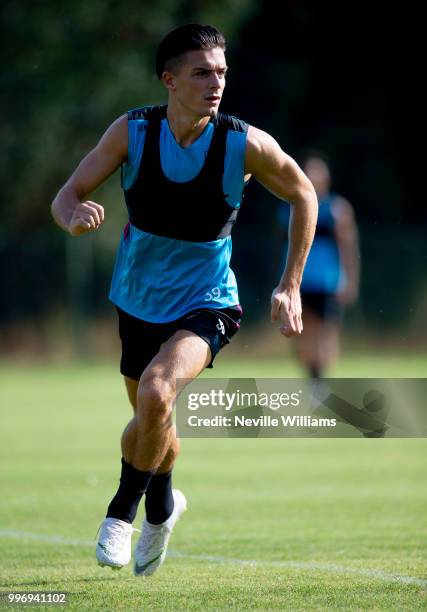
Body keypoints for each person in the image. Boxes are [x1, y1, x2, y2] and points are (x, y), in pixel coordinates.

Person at [51, 24, 317, 577]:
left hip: (209, 300)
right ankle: (166, 506)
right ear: (169, 80)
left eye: (220, 71)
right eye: (201, 72)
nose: (215, 82)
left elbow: (302, 192)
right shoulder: (133, 131)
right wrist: (73, 216)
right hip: (136, 300)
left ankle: (122, 516)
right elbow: (67, 194)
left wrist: (290, 284)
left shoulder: (244, 143)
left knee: (157, 390)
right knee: (153, 419)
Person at [277, 151, 359, 378]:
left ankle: (319, 381)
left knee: (326, 333)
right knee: (301, 333)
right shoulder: (290, 207)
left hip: (328, 281)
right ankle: (311, 378)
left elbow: (348, 249)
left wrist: (349, 280)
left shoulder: (338, 209)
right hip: (299, 281)